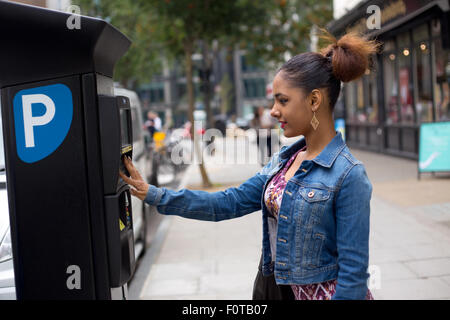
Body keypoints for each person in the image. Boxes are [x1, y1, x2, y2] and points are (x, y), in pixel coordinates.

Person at [119, 31, 378, 300]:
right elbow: (227, 202)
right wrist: (155, 194)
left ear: (314, 101)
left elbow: (353, 277)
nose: (273, 111)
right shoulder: (283, 162)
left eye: (283, 100)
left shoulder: (349, 175)